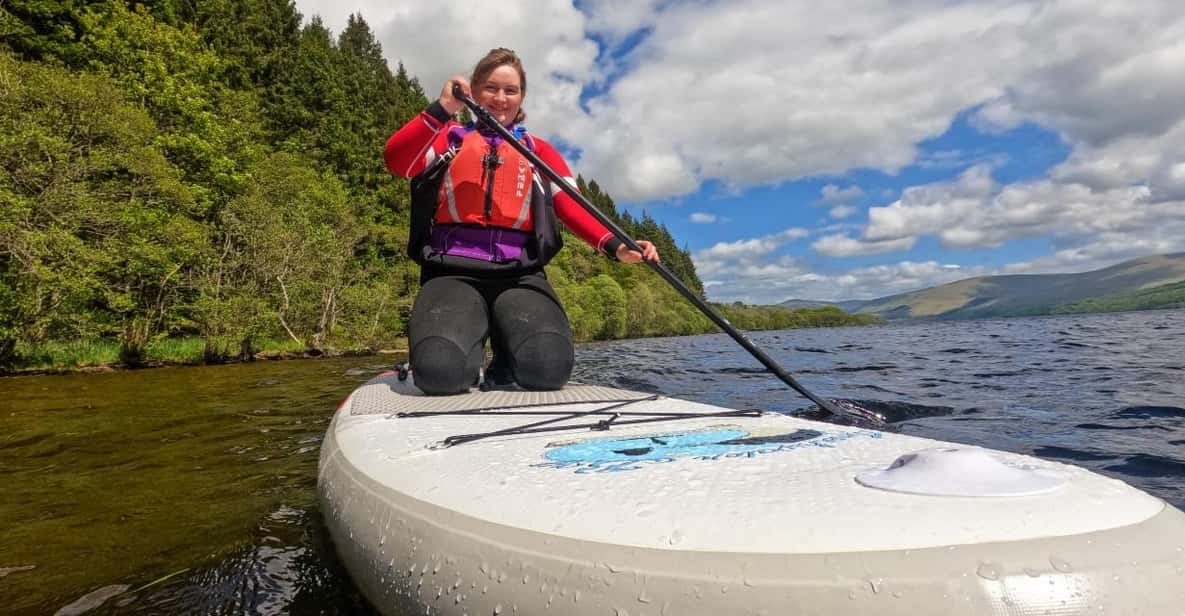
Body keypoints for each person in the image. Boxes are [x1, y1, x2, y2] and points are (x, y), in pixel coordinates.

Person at [384, 47, 660, 395]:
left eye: (510, 90)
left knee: (548, 369)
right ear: (472, 90)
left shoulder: (539, 151)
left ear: (521, 97)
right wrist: (442, 110)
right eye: (490, 88)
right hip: (451, 271)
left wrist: (617, 245)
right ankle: (461, 360)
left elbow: (571, 206)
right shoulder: (448, 138)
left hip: (519, 276)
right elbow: (397, 162)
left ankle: (504, 361)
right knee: (441, 372)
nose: (500, 98)